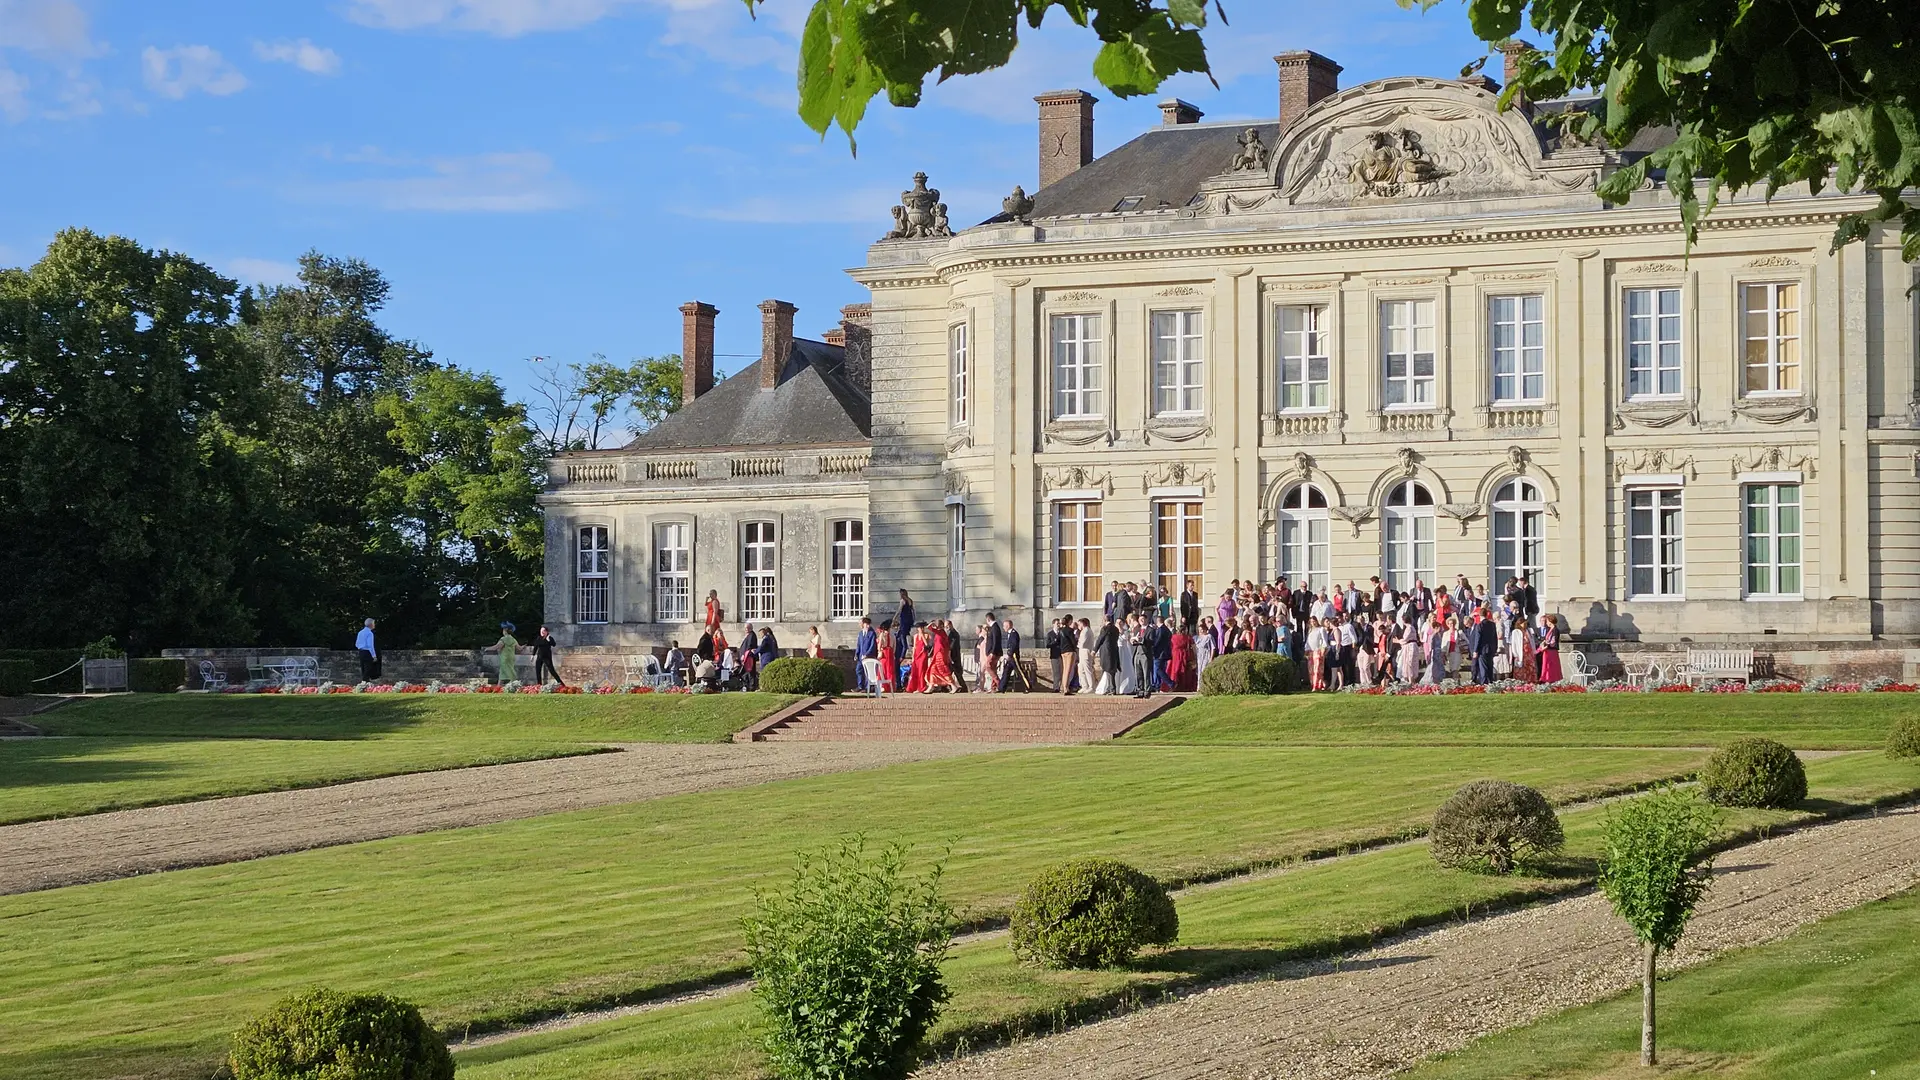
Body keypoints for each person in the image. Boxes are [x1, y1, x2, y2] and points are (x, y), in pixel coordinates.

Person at [1536, 613, 1563, 683]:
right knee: (1546, 666)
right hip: (1548, 651)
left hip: (1551, 651)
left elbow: (1553, 642)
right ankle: (1546, 679)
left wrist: (1545, 646)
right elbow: (1547, 639)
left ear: (1550, 621)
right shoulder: (1551, 629)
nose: (1546, 623)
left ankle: (1552, 679)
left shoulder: (1555, 630)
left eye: (1547, 621)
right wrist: (1543, 644)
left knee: (1551, 666)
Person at [999, 618, 1025, 691]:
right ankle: (1001, 688)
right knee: (1006, 672)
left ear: (1008, 626)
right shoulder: (1010, 634)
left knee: (1020, 672)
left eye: (1004, 626)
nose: (1003, 628)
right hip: (1010, 657)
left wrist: (1009, 654)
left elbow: (1014, 646)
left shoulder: (1014, 634)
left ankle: (1028, 687)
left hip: (1014, 657)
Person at [894, 590, 916, 669]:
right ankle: (909, 650)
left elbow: (899, 610)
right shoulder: (910, 600)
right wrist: (914, 619)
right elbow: (913, 611)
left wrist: (894, 618)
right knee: (905, 635)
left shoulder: (902, 601)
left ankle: (902, 654)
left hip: (904, 621)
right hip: (909, 621)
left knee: (903, 637)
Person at [854, 617, 876, 693]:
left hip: (869, 656)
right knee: (858, 670)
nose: (860, 625)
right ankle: (860, 686)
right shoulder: (860, 633)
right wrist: (856, 654)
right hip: (861, 656)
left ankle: (868, 687)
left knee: (868, 672)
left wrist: (867, 654)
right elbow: (858, 645)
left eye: (861, 623)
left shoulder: (871, 633)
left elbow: (872, 645)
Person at [355, 618, 380, 682]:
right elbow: (370, 646)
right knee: (368, 669)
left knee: (363, 668)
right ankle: (365, 683)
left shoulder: (360, 632)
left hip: (361, 652)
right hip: (367, 652)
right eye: (373, 623)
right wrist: (374, 656)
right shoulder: (369, 633)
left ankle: (365, 682)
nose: (374, 625)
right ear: (371, 624)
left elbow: (357, 644)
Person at [876, 620, 897, 693]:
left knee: (883, 669)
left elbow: (879, 646)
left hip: (884, 653)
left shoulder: (882, 634)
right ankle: (891, 686)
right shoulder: (893, 635)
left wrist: (879, 651)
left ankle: (883, 686)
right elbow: (894, 647)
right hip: (890, 653)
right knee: (890, 670)